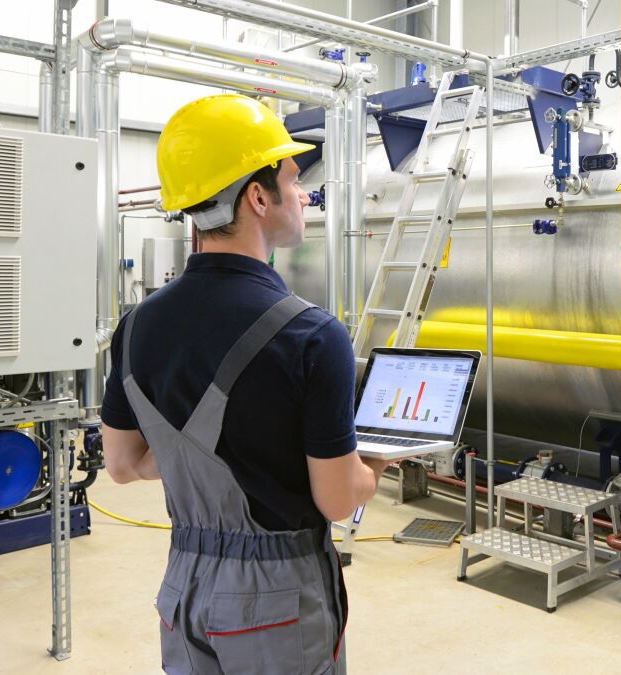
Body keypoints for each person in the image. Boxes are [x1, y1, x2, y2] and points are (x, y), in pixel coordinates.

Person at [100, 93, 387, 675]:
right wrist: (372, 465)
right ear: (258, 196)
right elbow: (337, 500)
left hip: (184, 588)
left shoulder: (136, 325)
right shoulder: (312, 334)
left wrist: (199, 461)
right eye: (293, 178)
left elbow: (123, 465)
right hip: (278, 600)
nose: (303, 194)